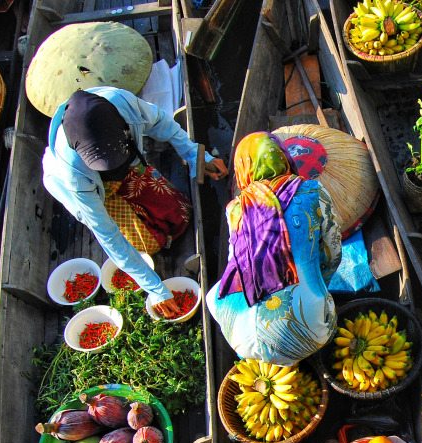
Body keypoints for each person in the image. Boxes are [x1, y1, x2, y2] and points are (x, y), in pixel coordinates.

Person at [43, 88, 228, 318]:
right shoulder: (74, 174)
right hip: (94, 192)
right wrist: (156, 289)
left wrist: (198, 157)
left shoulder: (122, 104)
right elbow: (109, 236)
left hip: (127, 164)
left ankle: (124, 175)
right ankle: (119, 193)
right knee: (147, 246)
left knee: (180, 212)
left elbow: (162, 123)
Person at [206, 133, 342, 365]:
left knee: (216, 293)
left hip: (239, 338)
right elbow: (333, 253)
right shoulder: (311, 192)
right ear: (284, 158)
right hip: (312, 334)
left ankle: (256, 352)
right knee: (313, 286)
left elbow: (235, 265)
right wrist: (319, 284)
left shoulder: (234, 209)